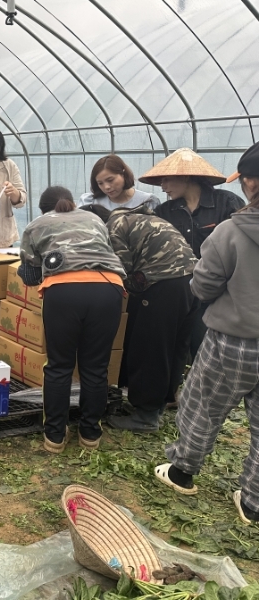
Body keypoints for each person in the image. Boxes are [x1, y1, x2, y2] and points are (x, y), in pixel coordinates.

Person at [154, 142, 259, 525]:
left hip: (235, 340)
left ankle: (182, 472)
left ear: (249, 182)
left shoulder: (232, 229)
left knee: (203, 406)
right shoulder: (176, 212)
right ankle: (253, 503)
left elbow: (203, 286)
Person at [18, 186, 125, 453]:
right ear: (71, 203)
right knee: (96, 367)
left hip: (64, 292)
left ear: (44, 209)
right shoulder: (95, 219)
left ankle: (55, 435)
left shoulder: (36, 225)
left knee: (59, 366)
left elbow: (30, 276)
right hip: (108, 288)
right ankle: (90, 434)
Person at [81, 203, 197, 432]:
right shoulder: (138, 219)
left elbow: (120, 268)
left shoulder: (114, 227)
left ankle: (145, 415)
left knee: (149, 349)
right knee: (174, 347)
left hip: (162, 284)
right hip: (192, 280)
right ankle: (164, 401)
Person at [139, 147, 245, 360]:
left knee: (207, 346)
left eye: (167, 180)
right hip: (179, 289)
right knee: (178, 347)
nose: (163, 187)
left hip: (219, 289)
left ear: (186, 176)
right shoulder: (164, 212)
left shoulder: (226, 202)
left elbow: (240, 245)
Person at [79, 155, 161, 211]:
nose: (106, 187)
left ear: (123, 174)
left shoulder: (147, 201)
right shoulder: (90, 202)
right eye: (100, 183)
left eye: (110, 180)